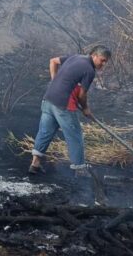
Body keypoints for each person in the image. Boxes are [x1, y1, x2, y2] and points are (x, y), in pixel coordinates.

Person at [29, 45, 112, 175]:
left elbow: (53, 61)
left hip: (48, 99)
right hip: (64, 105)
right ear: (94, 55)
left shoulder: (75, 57)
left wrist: (55, 81)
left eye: (106, 61)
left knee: (45, 131)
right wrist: (85, 109)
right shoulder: (89, 70)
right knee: (75, 136)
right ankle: (79, 169)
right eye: (102, 60)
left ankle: (35, 163)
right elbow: (82, 95)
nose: (104, 64)